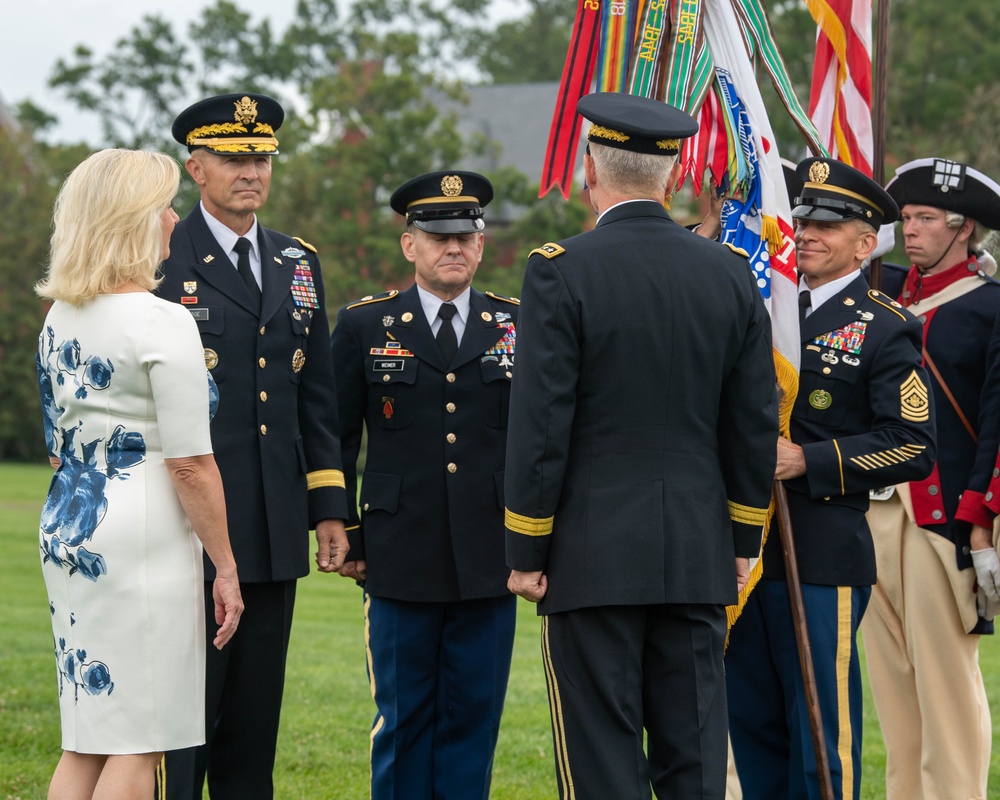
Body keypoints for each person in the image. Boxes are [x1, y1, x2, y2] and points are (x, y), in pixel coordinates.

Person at [503, 91, 779, 799]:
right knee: (693, 752)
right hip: (696, 549)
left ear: (589, 171)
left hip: (589, 553)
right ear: (676, 174)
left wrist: (527, 547)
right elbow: (752, 419)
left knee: (601, 756)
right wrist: (744, 538)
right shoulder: (726, 271)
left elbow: (540, 423)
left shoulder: (559, 269)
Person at [155, 93, 350, 799]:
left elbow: (315, 397)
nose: (251, 171)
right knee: (185, 725)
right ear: (195, 168)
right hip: (185, 525)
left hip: (268, 527)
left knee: (253, 728)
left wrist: (329, 506)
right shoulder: (162, 255)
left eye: (262, 157)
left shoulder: (296, 260)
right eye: (235, 158)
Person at [34, 148, 243, 800]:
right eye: (162, 206)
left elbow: (55, 447)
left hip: (72, 522)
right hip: (141, 536)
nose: (174, 220)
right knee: (139, 739)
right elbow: (189, 462)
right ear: (134, 221)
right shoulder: (161, 320)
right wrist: (226, 565)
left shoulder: (59, 317)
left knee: (88, 736)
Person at [726, 157, 937, 800]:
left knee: (819, 736)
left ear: (865, 243)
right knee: (754, 726)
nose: (808, 232)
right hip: (742, 551)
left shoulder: (883, 325)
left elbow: (913, 444)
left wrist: (808, 461)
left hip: (820, 552)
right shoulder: (756, 309)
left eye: (829, 222)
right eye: (802, 219)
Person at [329, 170, 518, 800]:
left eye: (466, 235)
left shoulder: (515, 325)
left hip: (490, 554)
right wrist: (345, 528)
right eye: (439, 237)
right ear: (410, 245)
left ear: (482, 244)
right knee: (404, 718)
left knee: (474, 717)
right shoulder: (365, 326)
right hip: (396, 553)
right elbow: (335, 435)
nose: (454, 248)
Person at [860, 157, 1000, 799]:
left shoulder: (991, 307)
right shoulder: (878, 292)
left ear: (962, 227)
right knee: (893, 696)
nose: (908, 230)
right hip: (869, 511)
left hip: (940, 522)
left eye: (923, 219)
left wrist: (980, 524)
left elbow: (995, 423)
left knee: (945, 694)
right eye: (905, 218)